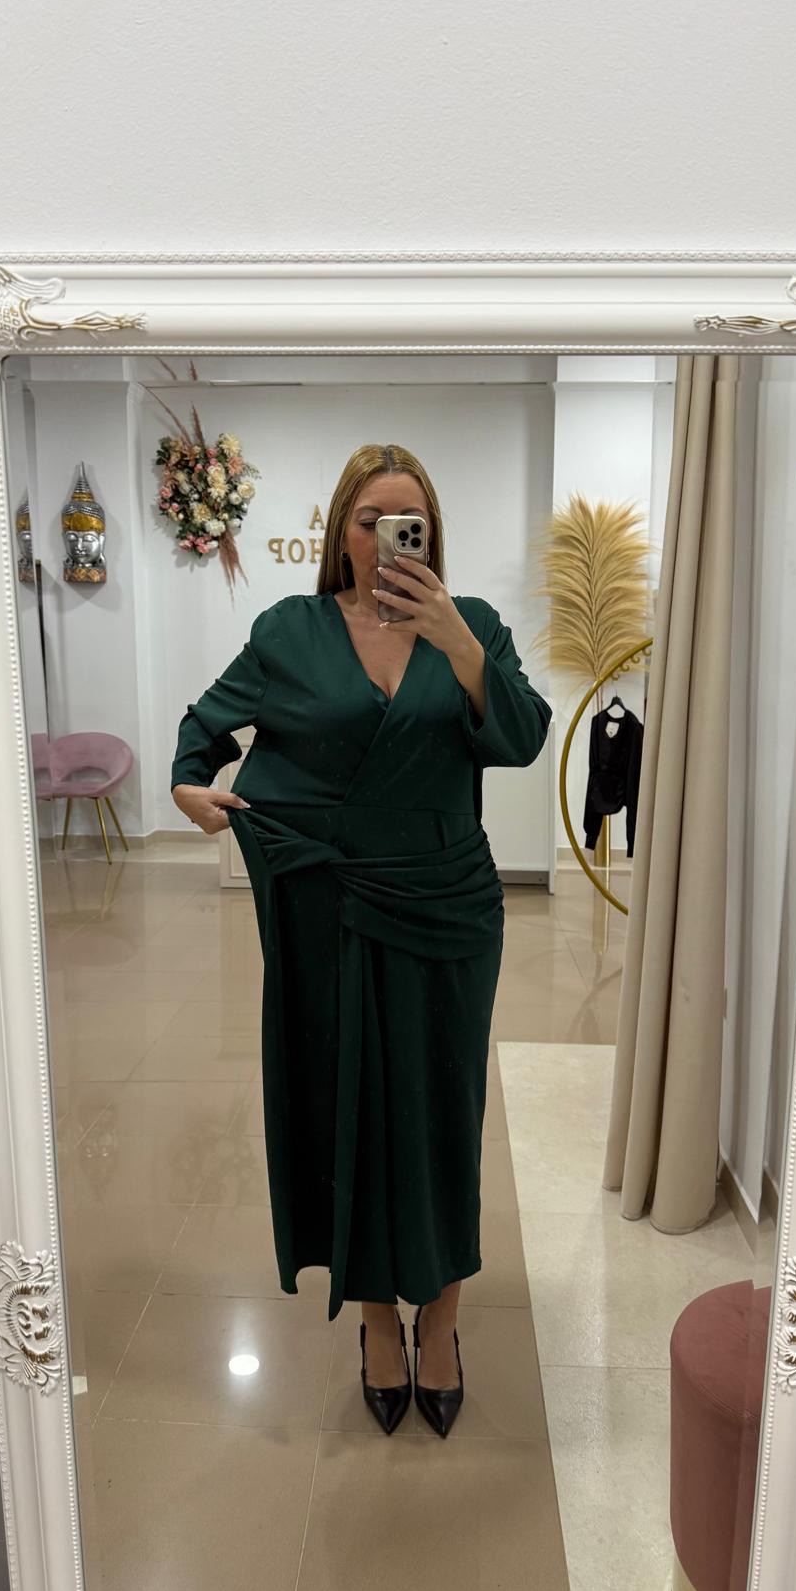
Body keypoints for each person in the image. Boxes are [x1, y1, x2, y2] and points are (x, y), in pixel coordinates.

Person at [171, 443, 552, 1438]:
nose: (386, 536)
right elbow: (204, 728)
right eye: (369, 518)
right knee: (348, 1107)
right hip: (329, 910)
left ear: (431, 534)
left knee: (444, 1111)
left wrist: (456, 641)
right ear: (341, 529)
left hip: (447, 908)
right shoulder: (288, 631)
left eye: (406, 520)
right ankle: (379, 1318)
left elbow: (521, 737)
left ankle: (445, 1316)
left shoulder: (476, 626)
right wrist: (189, 786)